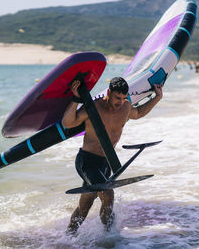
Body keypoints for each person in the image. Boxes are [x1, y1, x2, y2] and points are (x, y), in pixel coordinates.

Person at [62, 77, 163, 235]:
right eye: (117, 98)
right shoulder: (94, 107)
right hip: (87, 161)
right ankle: (109, 237)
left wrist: (157, 97)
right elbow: (68, 123)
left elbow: (140, 112)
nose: (120, 102)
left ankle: (67, 237)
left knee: (85, 206)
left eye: (124, 98)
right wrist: (76, 98)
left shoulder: (126, 107)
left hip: (106, 162)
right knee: (108, 194)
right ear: (108, 92)